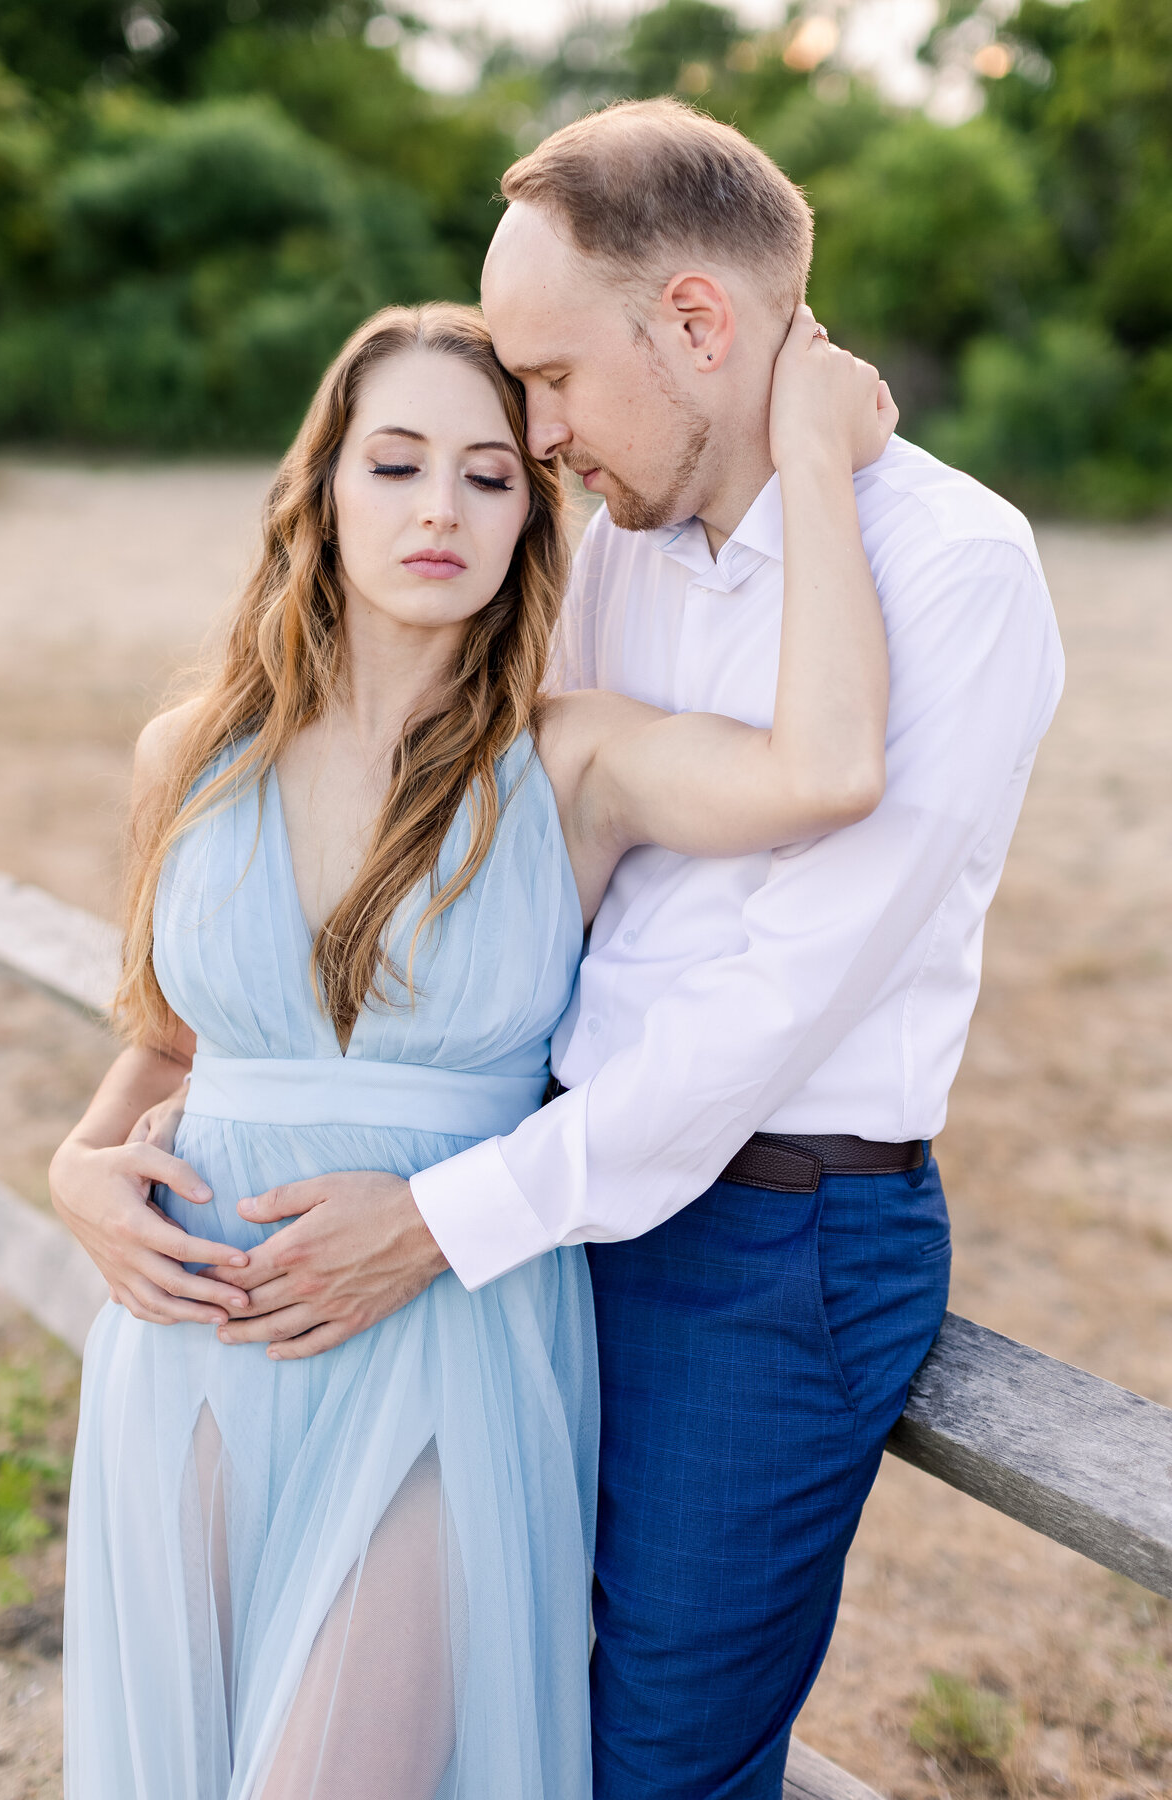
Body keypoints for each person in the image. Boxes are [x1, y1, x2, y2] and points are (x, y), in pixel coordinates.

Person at [63, 101, 1063, 1797]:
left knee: (646, 1760)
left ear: (694, 324)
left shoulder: (951, 569)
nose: (528, 445)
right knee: (474, 1716)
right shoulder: (623, 549)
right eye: (446, 434)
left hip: (758, 1223)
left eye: (546, 385)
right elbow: (295, 973)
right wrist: (97, 1158)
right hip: (512, 1217)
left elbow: (758, 999)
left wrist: (449, 1221)